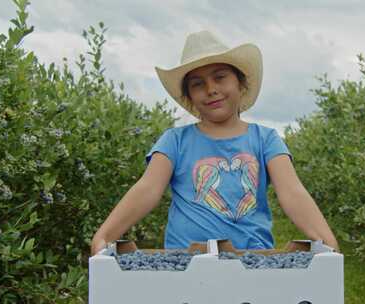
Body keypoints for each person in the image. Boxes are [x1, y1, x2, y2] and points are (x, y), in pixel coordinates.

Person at [90, 30, 339, 256]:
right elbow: (148, 189)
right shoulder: (174, 141)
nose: (211, 89)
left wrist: (328, 243)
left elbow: (292, 192)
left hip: (253, 261)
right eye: (198, 84)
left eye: (220, 77)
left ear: (240, 84)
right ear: (189, 97)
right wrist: (105, 235)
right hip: (186, 262)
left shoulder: (266, 139)